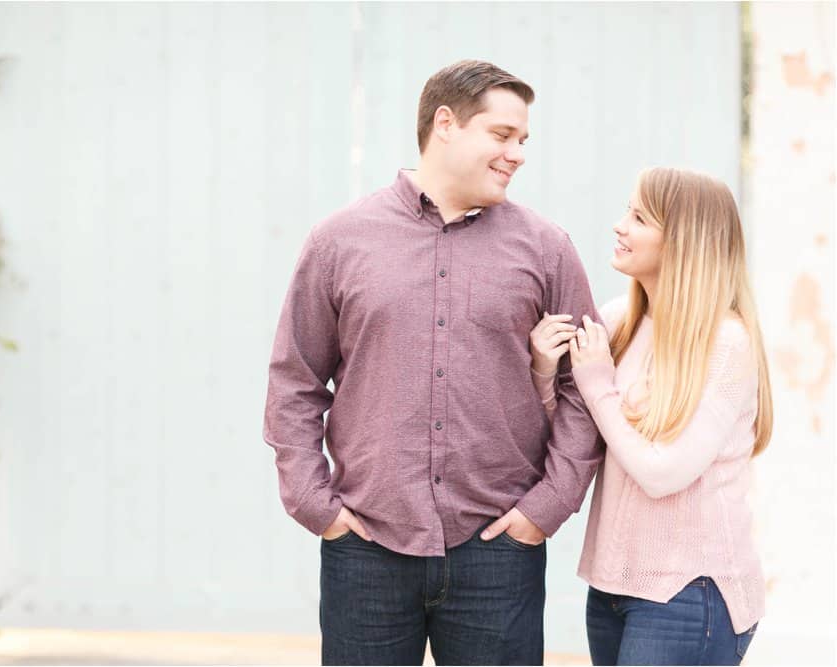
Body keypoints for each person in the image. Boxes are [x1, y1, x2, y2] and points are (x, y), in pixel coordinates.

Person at [263, 59, 603, 666]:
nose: (518, 153)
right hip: (366, 547)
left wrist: (546, 508)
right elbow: (296, 381)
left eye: (523, 140)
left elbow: (586, 387)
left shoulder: (547, 249)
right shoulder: (340, 241)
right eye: (502, 135)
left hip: (499, 549)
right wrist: (317, 505)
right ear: (445, 124)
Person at [529, 166, 771, 665]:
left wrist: (596, 386)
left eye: (639, 217)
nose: (620, 225)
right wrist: (543, 373)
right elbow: (578, 440)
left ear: (684, 241)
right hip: (613, 588)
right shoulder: (619, 319)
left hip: (690, 593)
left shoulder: (726, 343)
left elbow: (664, 473)